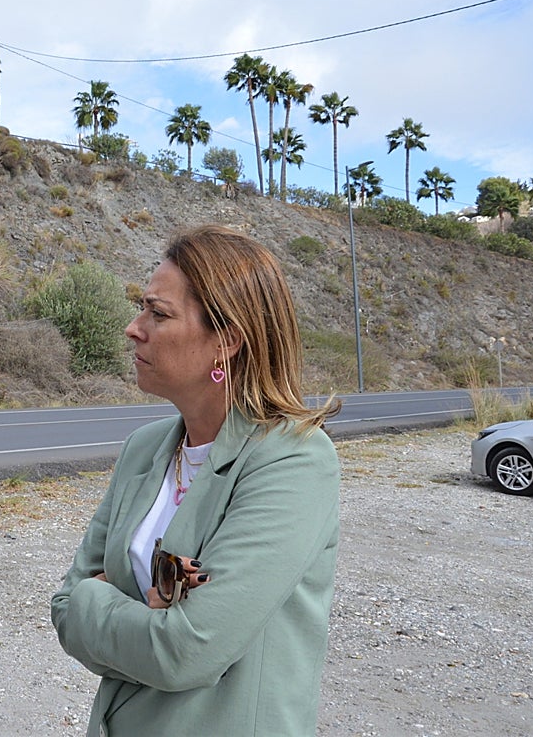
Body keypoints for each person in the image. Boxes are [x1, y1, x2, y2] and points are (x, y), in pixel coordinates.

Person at [51, 224, 341, 737]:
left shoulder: (294, 461)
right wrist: (144, 621)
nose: (134, 328)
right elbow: (63, 607)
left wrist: (95, 603)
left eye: (158, 313)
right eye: (142, 309)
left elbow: (187, 651)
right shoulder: (145, 448)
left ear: (226, 340)